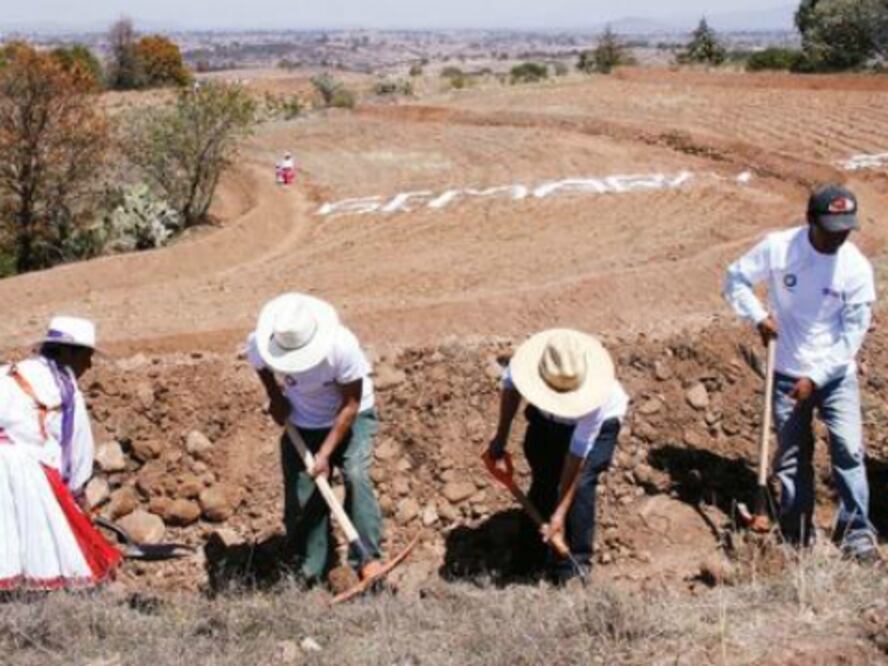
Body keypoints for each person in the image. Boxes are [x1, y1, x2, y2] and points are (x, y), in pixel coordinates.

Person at [723, 184, 878, 561]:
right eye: (831, 229)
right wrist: (758, 316)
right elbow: (735, 279)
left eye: (846, 229)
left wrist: (817, 378)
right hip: (787, 370)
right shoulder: (779, 248)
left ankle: (856, 532)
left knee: (848, 450)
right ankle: (797, 531)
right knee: (792, 456)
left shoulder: (855, 267)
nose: (839, 237)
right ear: (810, 220)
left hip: (835, 375)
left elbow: (853, 335)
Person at [246, 292, 382, 585]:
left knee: (356, 475)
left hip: (352, 416)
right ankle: (310, 571)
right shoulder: (262, 343)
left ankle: (367, 559)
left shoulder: (341, 347)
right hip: (303, 421)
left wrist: (325, 454)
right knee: (302, 491)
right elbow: (259, 364)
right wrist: (275, 396)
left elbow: (351, 405)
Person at [487, 328, 629, 583]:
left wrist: (560, 513)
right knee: (544, 479)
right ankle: (527, 562)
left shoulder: (597, 398)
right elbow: (511, 387)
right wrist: (500, 438)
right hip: (547, 420)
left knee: (580, 486)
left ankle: (572, 569)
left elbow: (578, 455)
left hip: (598, 426)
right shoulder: (525, 365)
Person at [0, 316, 121, 591]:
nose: (89, 365)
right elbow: (75, 450)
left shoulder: (7, 372)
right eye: (87, 356)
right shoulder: (64, 386)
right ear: (68, 353)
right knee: (41, 548)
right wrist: (77, 494)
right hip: (21, 469)